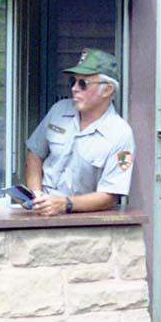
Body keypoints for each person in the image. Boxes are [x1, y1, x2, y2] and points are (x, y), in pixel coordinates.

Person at [24, 48, 134, 216]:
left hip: (82, 218)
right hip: (41, 211)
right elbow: (35, 154)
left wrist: (64, 204)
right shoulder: (59, 110)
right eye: (72, 81)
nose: (75, 88)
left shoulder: (120, 133)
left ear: (107, 90)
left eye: (83, 83)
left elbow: (110, 195)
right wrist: (36, 194)